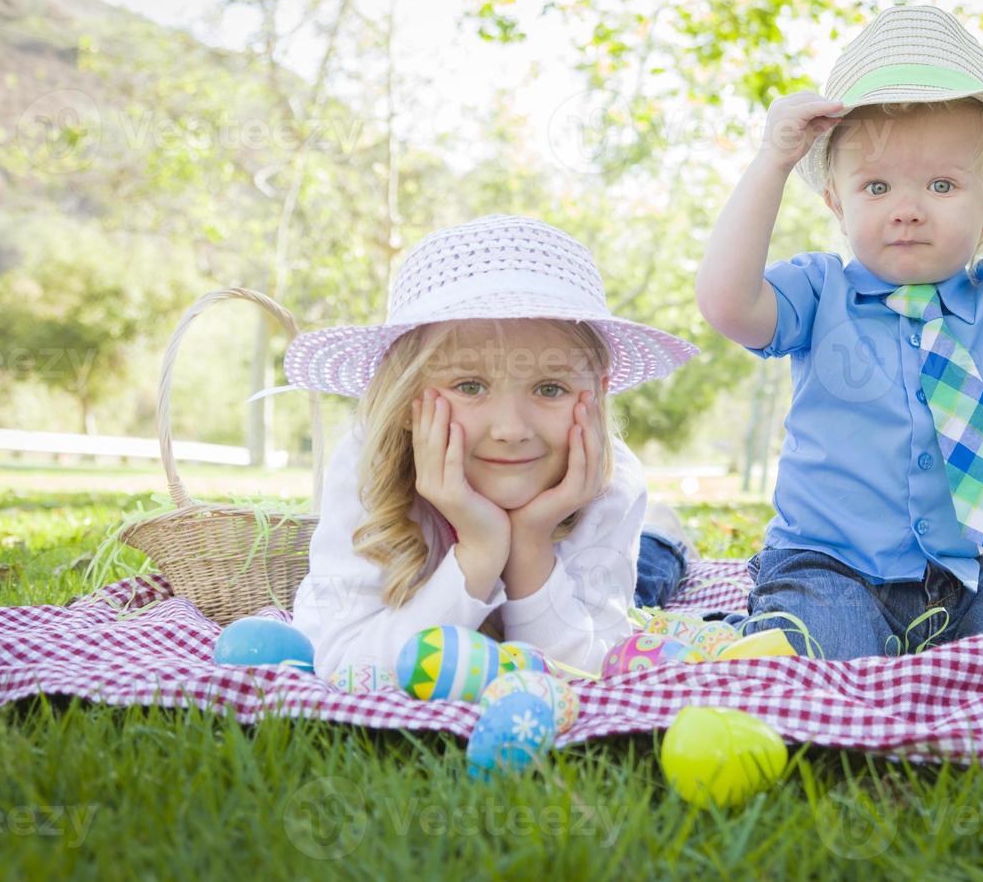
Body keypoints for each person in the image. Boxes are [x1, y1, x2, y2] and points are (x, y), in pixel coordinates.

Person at [695, 5, 983, 659]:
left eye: (940, 184)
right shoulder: (821, 292)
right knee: (824, 658)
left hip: (966, 582)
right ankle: (762, 636)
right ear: (837, 204)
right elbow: (725, 303)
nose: (906, 209)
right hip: (830, 569)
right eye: (876, 186)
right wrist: (771, 163)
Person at [288, 214, 699, 680]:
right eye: (469, 385)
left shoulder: (608, 480)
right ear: (403, 398)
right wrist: (480, 551)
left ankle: (666, 535)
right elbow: (349, 668)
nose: (509, 429)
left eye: (549, 389)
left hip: (578, 576)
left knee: (653, 572)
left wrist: (531, 544)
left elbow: (581, 671)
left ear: (599, 392)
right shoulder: (370, 463)